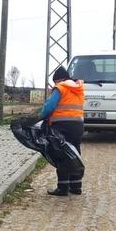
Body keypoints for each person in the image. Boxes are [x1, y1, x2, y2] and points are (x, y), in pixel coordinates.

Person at [39, 66, 85, 196]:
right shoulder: (79, 88)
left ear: (58, 79)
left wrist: (41, 117)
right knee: (74, 153)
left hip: (61, 125)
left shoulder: (60, 88)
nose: (54, 84)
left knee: (61, 154)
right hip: (78, 125)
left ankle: (63, 187)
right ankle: (76, 186)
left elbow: (49, 107)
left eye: (55, 82)